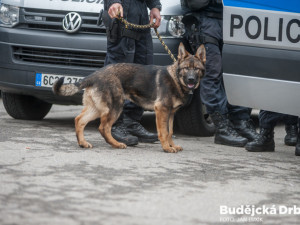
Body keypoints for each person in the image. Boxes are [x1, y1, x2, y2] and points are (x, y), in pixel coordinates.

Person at [182, 0, 258, 147]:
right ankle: (222, 128)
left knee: (235, 74)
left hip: (233, 19)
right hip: (205, 20)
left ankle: (240, 122)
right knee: (212, 73)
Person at [103, 0, 162, 146]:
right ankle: (114, 124)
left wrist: (154, 5)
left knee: (143, 74)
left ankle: (131, 121)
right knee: (117, 75)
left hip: (140, 13)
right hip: (121, 12)